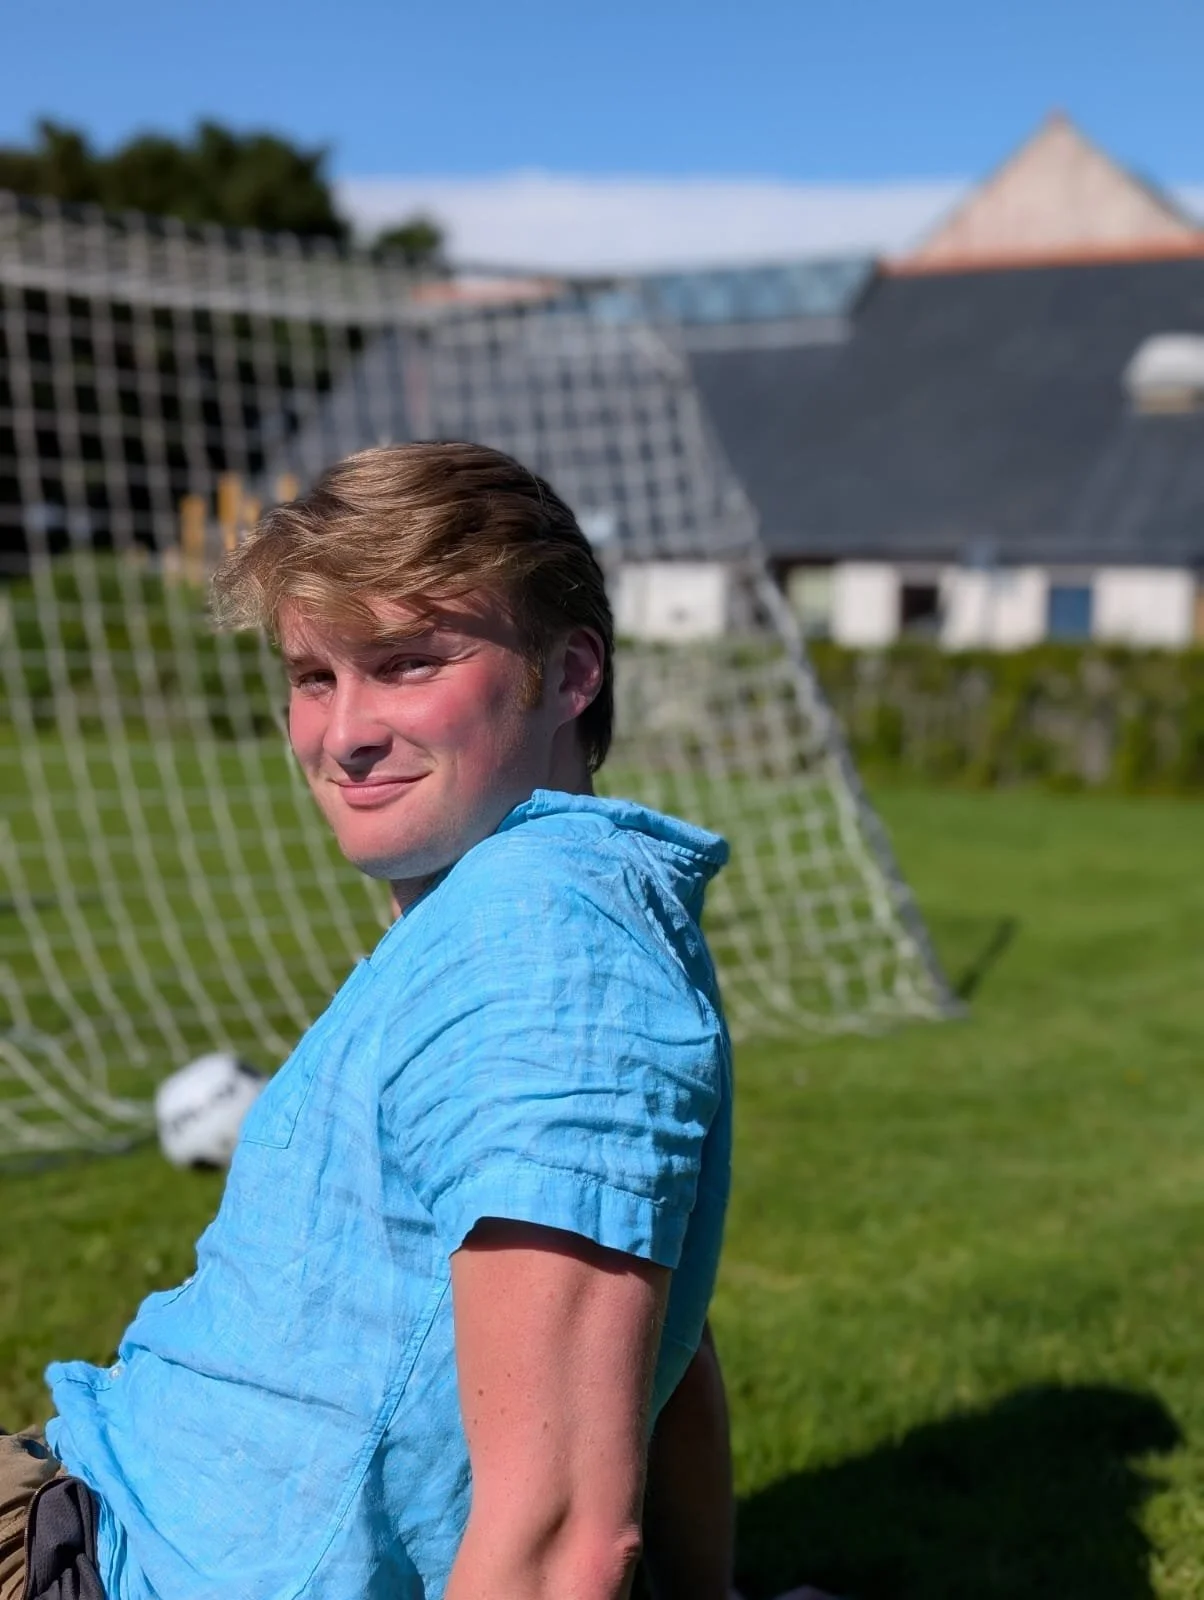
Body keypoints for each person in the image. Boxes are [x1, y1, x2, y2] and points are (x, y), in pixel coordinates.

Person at [0, 441, 735, 1600]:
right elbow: (657, 1347)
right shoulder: (508, 913)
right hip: (100, 1490)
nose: (341, 734)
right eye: (312, 676)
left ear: (572, 671)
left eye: (404, 663)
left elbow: (557, 1543)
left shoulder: (542, 954)